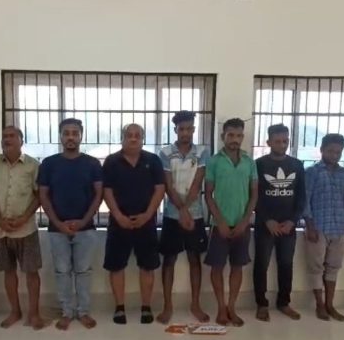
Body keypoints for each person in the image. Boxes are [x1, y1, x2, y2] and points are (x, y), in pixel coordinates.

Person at [38, 118, 103, 330]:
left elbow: (99, 195)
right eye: (66, 133)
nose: (71, 137)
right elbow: (43, 196)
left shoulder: (92, 164)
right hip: (57, 229)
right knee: (62, 271)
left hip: (86, 228)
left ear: (81, 136)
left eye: (75, 133)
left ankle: (83, 312)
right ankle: (66, 312)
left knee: (83, 271)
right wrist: (58, 223)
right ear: (60, 136)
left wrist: (83, 221)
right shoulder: (49, 164)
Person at [0, 126, 46, 330]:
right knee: (8, 271)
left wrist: (24, 218)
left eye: (12, 136)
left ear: (21, 141)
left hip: (26, 229)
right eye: (4, 136)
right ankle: (15, 311)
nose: (7, 139)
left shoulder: (33, 165)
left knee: (31, 272)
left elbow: (39, 196)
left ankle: (34, 313)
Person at [102, 123, 165, 325]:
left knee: (147, 266)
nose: (133, 138)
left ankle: (146, 307)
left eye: (138, 135)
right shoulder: (112, 161)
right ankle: (119, 308)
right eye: (129, 135)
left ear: (143, 139)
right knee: (116, 266)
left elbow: (160, 189)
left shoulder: (153, 160)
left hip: (146, 222)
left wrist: (148, 215)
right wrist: (118, 216)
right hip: (118, 222)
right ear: (123, 138)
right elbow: (107, 191)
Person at [156, 110, 210, 324]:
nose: (185, 133)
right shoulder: (165, 153)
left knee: (195, 259)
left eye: (189, 128)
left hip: (195, 215)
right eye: (181, 129)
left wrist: (186, 210)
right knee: (169, 260)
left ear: (194, 129)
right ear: (175, 130)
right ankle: (167, 306)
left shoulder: (202, 152)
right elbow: (168, 186)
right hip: (172, 215)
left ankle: (195, 304)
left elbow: (198, 184)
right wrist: (181, 210)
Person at [204, 118, 258, 326]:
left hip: (242, 225)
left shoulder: (250, 162)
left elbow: (254, 195)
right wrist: (220, 222)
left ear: (243, 137)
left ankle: (232, 308)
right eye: (231, 135)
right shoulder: (214, 162)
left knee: (237, 267)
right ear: (223, 136)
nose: (235, 139)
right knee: (217, 267)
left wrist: (245, 221)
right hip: (220, 226)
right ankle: (220, 308)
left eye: (239, 135)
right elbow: (208, 195)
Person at [253, 123, 306, 321]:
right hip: (265, 225)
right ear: (269, 142)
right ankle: (261, 304)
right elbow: (254, 196)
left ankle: (284, 302)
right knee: (261, 265)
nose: (282, 145)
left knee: (286, 264)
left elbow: (301, 197)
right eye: (277, 141)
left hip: (288, 226)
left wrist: (292, 221)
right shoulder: (258, 165)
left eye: (285, 141)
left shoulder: (297, 165)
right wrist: (267, 220)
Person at [303, 133, 344, 321]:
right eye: (330, 151)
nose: (334, 155)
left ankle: (330, 304)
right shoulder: (312, 172)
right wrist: (309, 225)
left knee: (334, 266)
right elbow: (305, 200)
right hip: (318, 227)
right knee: (316, 267)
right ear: (322, 150)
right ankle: (319, 305)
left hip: (339, 228)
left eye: (338, 152)